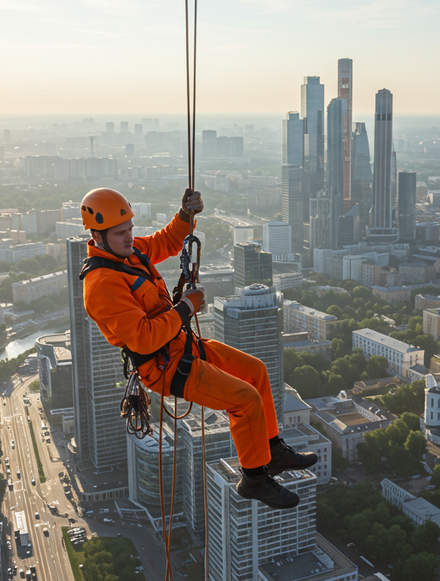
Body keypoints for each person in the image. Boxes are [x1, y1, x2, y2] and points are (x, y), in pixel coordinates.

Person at [79, 187, 316, 509]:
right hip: (163, 367)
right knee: (244, 399)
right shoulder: (102, 284)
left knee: (255, 372)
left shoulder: (129, 254)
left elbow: (164, 241)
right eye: (121, 233)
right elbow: (144, 338)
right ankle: (254, 479)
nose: (130, 237)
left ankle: (271, 451)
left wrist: (185, 216)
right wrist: (186, 308)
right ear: (97, 235)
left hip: (182, 345)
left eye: (131, 229)